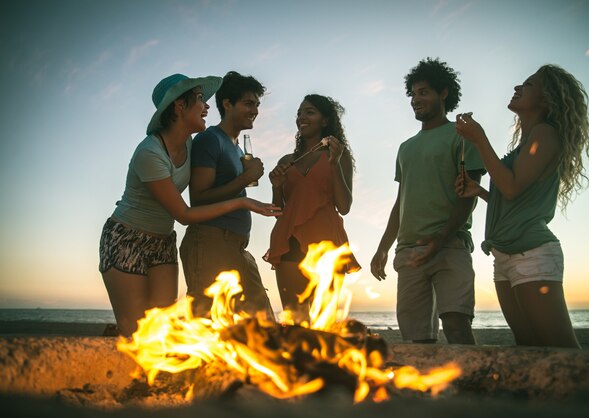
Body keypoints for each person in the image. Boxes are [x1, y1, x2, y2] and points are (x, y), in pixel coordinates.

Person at [99, 73, 281, 336]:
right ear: (179, 106)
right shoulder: (150, 153)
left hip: (164, 240)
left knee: (162, 327)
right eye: (199, 99)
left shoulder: (189, 142)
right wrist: (242, 196)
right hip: (127, 237)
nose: (207, 106)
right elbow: (185, 211)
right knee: (135, 331)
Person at [455, 64, 589, 348]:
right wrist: (480, 191)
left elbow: (511, 186)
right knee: (529, 346)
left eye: (528, 85)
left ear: (546, 98)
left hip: (532, 254)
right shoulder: (528, 142)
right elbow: (514, 200)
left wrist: (480, 140)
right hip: (504, 255)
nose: (518, 88)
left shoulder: (546, 133)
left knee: (561, 349)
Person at [370, 58, 485, 344]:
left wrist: (440, 238)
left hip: (450, 245)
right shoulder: (405, 148)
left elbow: (468, 195)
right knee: (415, 341)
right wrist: (383, 248)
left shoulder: (461, 136)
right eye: (413, 94)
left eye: (423, 92)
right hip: (409, 252)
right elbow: (401, 202)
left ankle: (469, 385)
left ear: (443, 93)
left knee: (458, 327)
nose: (416, 100)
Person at [180, 71, 275, 319]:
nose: (254, 110)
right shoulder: (209, 139)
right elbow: (199, 197)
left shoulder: (234, 146)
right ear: (227, 104)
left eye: (257, 105)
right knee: (209, 325)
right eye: (248, 103)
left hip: (236, 245)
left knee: (263, 322)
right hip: (210, 241)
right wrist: (244, 179)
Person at [264, 94, 360, 318]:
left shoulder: (338, 156)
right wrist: (276, 187)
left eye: (309, 112)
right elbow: (279, 211)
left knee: (324, 322)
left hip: (327, 241)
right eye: (299, 113)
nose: (301, 117)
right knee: (295, 320)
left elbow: (344, 206)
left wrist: (334, 164)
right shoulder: (286, 161)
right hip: (288, 242)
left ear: (325, 121)